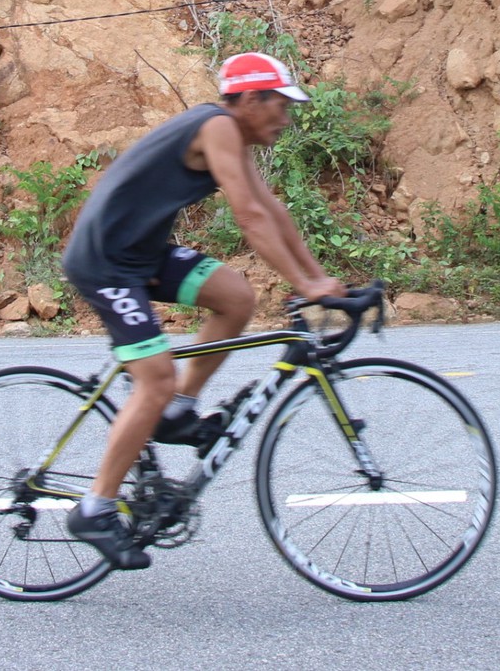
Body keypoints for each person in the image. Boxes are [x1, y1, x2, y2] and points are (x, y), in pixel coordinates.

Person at [60, 51, 345, 570]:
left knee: (236, 298)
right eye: (281, 105)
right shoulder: (216, 126)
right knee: (155, 378)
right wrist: (305, 284)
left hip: (142, 257)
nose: (286, 117)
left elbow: (273, 210)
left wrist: (318, 280)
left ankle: (176, 413)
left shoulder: (232, 136)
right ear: (251, 100)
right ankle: (95, 508)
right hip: (107, 263)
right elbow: (250, 217)